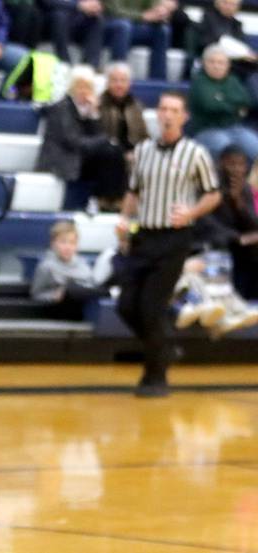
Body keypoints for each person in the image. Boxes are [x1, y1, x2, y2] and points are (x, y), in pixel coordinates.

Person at [117, 91, 221, 397]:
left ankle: (155, 376)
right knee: (126, 305)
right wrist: (123, 221)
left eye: (174, 110)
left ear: (184, 116)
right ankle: (163, 347)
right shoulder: (143, 150)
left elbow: (213, 194)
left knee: (152, 308)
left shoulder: (195, 153)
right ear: (157, 114)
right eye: (163, 109)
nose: (167, 115)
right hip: (143, 235)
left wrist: (191, 212)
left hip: (174, 239)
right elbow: (133, 192)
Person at [37, 65, 128, 211]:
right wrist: (105, 139)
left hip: (78, 157)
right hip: (62, 160)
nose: (84, 92)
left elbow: (95, 138)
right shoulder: (62, 108)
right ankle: (106, 201)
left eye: (88, 87)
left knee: (114, 152)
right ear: (71, 88)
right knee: (110, 151)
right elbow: (74, 142)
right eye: (80, 87)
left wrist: (93, 114)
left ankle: (110, 201)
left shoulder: (85, 109)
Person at [199, 145, 258, 299]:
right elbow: (204, 221)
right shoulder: (211, 186)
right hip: (214, 240)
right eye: (231, 164)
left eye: (241, 164)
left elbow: (253, 224)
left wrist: (239, 204)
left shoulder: (244, 187)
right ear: (220, 163)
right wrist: (237, 237)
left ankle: (251, 298)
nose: (236, 169)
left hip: (237, 242)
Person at [189, 45, 258, 162]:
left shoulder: (233, 80)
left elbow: (246, 101)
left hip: (235, 128)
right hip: (207, 129)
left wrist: (221, 100)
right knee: (227, 149)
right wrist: (234, 106)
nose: (216, 66)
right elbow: (210, 106)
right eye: (212, 62)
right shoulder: (199, 82)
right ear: (204, 63)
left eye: (221, 63)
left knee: (254, 147)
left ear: (228, 65)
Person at [30, 221, 107, 320]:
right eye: (63, 242)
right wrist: (54, 296)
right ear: (53, 244)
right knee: (70, 290)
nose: (68, 247)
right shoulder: (46, 267)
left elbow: (90, 287)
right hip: (59, 309)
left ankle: (108, 292)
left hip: (83, 308)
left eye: (72, 243)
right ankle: (108, 292)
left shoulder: (83, 265)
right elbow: (36, 295)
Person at [105, 0, 174, 80]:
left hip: (135, 26)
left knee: (162, 30)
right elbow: (115, 11)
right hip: (109, 24)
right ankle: (118, 77)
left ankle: (158, 80)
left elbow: (153, 5)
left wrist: (159, 11)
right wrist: (142, 16)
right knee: (123, 26)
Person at [99, 63, 149, 169]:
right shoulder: (99, 105)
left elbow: (143, 136)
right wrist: (122, 154)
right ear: (107, 83)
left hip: (135, 153)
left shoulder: (136, 106)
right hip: (107, 154)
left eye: (123, 80)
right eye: (114, 80)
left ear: (129, 83)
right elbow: (98, 138)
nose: (119, 85)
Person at [42, 0, 105, 67]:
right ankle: (65, 64)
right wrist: (78, 5)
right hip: (49, 19)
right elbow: (47, 3)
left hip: (74, 18)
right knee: (59, 16)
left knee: (95, 19)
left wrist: (92, 6)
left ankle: (90, 67)